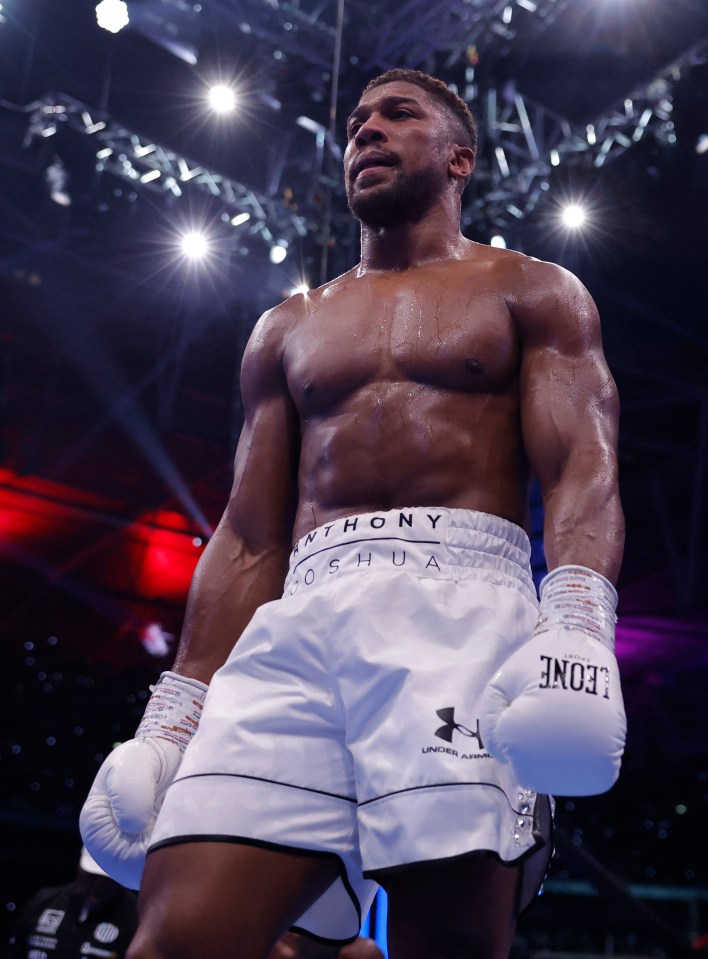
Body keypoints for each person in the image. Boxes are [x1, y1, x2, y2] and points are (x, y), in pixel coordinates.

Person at [80, 68, 626, 959]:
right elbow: (249, 534)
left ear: (460, 156)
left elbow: (580, 466)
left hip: (462, 609)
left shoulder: (533, 290)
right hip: (300, 616)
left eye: (394, 115)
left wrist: (575, 622)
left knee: (441, 940)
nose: (364, 132)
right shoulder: (285, 327)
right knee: (175, 939)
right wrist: (171, 717)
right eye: (354, 123)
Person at [6, 847, 138, 958]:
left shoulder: (137, 917)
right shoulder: (45, 902)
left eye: (108, 879)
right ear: (80, 867)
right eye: (92, 876)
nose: (99, 886)